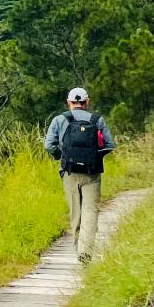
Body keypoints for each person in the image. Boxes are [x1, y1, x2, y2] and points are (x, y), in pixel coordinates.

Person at [44, 86, 114, 262]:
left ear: (69, 103)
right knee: (90, 212)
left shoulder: (59, 120)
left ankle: (78, 248)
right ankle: (85, 251)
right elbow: (109, 145)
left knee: (76, 213)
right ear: (86, 102)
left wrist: (61, 157)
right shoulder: (97, 120)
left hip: (69, 173)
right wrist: (94, 157)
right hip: (92, 174)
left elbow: (49, 145)